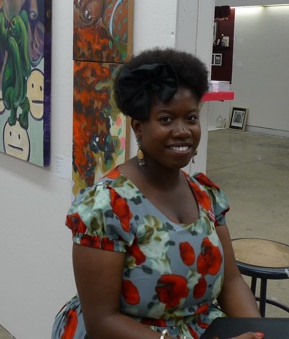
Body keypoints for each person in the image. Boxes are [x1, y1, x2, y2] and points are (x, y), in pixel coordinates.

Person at [52, 48, 262, 339]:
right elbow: (102, 321)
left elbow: (232, 283)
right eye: (166, 119)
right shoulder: (108, 206)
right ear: (138, 127)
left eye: (191, 117)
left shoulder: (205, 195)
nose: (183, 130)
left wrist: (260, 333)